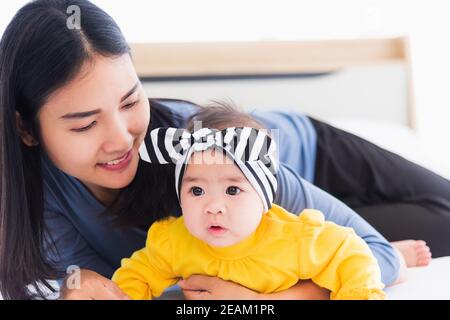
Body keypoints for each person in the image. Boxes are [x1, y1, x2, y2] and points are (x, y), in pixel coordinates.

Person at [0, 0, 442, 300]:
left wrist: (273, 296)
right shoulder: (34, 202)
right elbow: (126, 286)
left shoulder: (205, 152)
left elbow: (374, 254)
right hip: (259, 230)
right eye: (86, 124)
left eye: (132, 101)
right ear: (26, 130)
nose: (122, 138)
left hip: (309, 156)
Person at [112, 109, 386, 300]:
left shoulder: (296, 239)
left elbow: (351, 254)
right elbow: (137, 275)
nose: (214, 206)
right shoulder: (173, 241)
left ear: (264, 197)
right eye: (196, 190)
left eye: (233, 189)